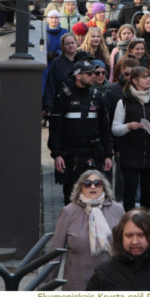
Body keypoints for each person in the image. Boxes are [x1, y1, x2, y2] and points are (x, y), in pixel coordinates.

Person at [48, 60, 114, 204]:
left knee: (95, 196)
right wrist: (57, 155)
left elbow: (105, 129)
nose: (93, 76)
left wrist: (108, 155)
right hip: (71, 156)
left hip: (93, 154)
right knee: (72, 198)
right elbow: (55, 130)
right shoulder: (64, 97)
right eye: (89, 73)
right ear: (78, 76)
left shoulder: (97, 97)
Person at [46, 171, 124, 290]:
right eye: (87, 183)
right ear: (80, 188)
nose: (92, 186)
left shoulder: (117, 210)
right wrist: (45, 287)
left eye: (97, 183)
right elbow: (55, 251)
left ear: (104, 186)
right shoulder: (69, 212)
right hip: (77, 283)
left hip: (110, 282)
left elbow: (126, 247)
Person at [111, 66, 150, 212]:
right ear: (135, 81)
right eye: (144, 77)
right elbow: (115, 129)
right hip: (130, 152)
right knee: (130, 191)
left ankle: (144, 222)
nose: (149, 79)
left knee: (147, 193)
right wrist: (128, 126)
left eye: (149, 76)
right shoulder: (124, 101)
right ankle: (129, 220)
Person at [86, 209, 150, 291]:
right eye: (129, 235)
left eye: (140, 235)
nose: (135, 241)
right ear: (121, 237)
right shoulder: (105, 273)